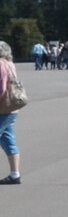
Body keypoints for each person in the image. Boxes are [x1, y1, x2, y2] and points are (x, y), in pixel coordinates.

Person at [0, 40, 22, 184]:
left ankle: (15, 174)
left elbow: (1, 88)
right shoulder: (10, 63)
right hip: (12, 108)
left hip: (2, 108)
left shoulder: (0, 64)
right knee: (8, 140)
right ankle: (15, 174)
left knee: (8, 140)